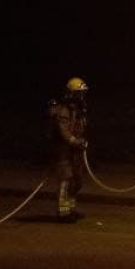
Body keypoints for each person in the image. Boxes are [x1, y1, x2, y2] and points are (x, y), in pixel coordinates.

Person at [49, 77, 88, 223]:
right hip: (63, 150)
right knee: (66, 180)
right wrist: (74, 141)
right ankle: (63, 212)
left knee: (77, 181)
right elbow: (63, 130)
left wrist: (82, 140)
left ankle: (71, 208)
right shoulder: (64, 109)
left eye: (83, 93)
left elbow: (80, 128)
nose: (82, 96)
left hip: (74, 150)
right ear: (72, 93)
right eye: (80, 93)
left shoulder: (79, 109)